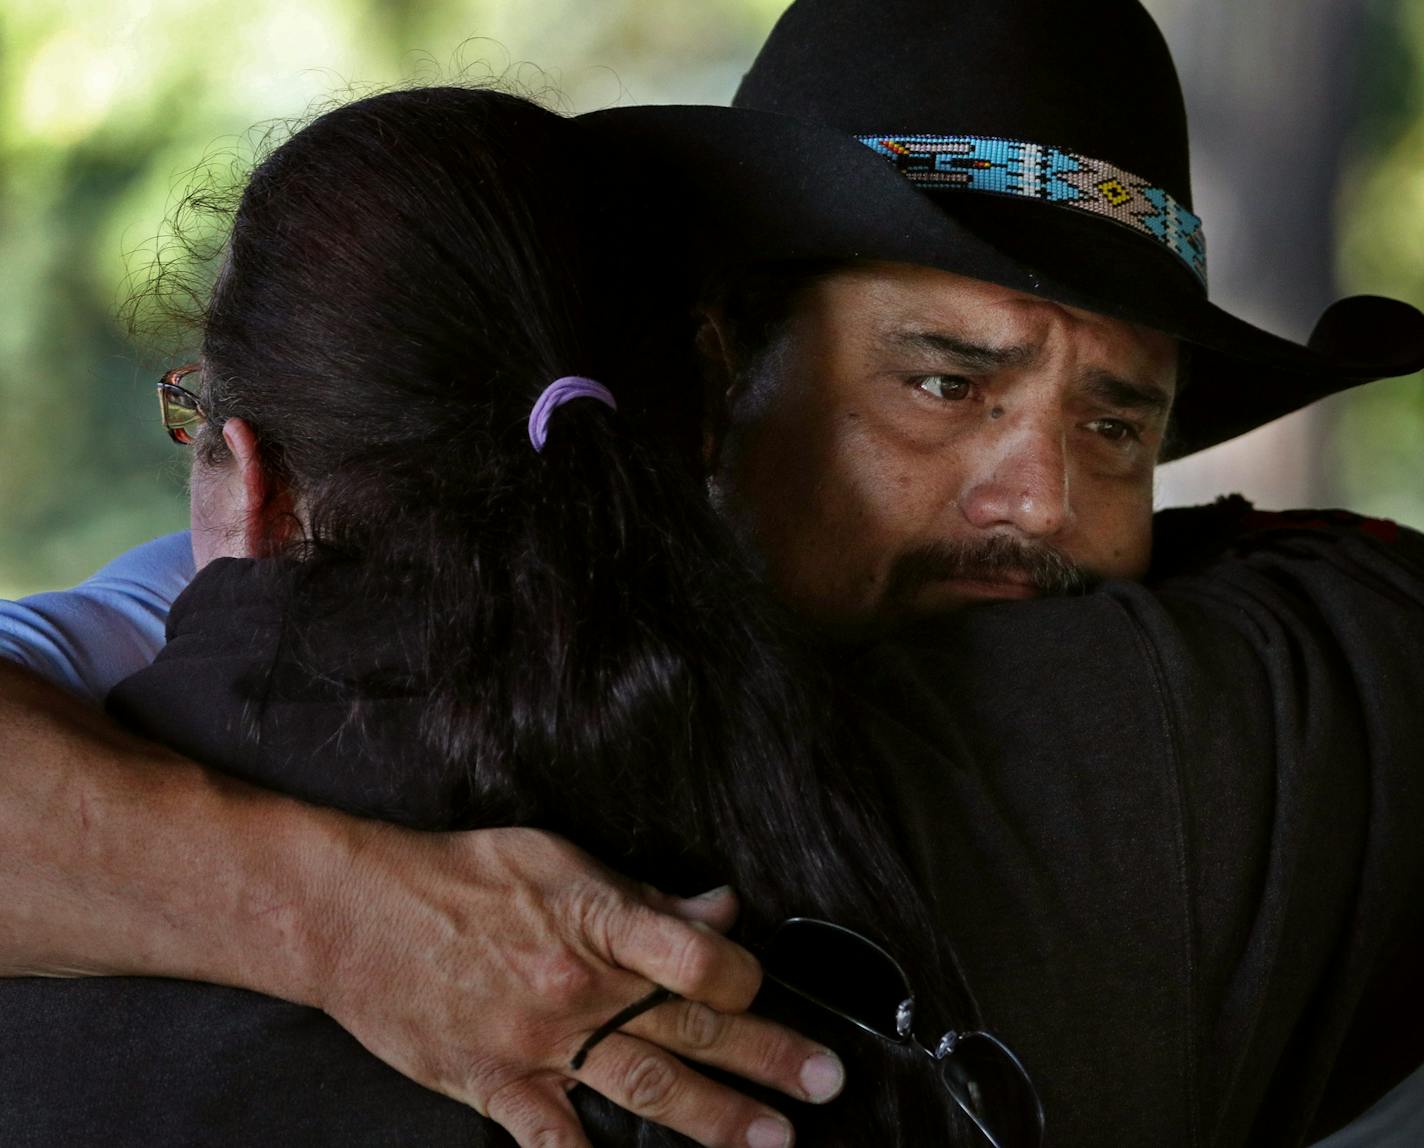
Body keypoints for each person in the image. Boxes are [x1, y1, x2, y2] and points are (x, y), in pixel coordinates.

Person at [2, 0, 1422, 1145]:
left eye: (1117, 426)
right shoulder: (288, 624)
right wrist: (352, 920)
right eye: (943, 385)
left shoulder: (1214, 688)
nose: (1044, 500)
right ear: (716, 379)